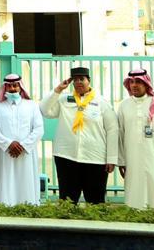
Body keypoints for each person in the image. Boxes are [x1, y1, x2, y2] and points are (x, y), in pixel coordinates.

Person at [40, 65, 118, 204]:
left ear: (89, 81)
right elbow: (45, 110)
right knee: (67, 200)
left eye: (82, 79)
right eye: (75, 80)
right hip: (67, 157)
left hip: (94, 159)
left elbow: (112, 130)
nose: (78, 82)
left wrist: (111, 158)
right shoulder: (64, 100)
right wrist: (57, 90)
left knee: (96, 201)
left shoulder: (101, 103)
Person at [116, 68, 154, 211]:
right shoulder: (124, 105)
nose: (134, 85)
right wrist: (121, 160)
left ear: (146, 84)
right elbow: (120, 135)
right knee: (135, 188)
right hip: (132, 157)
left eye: (138, 82)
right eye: (132, 82)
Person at [0, 73, 44, 205]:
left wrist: (23, 146)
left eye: (15, 85)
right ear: (5, 88)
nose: (12, 89)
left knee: (26, 181)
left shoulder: (31, 105)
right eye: (9, 86)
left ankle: (28, 207)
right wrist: (8, 144)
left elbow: (39, 129)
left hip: (25, 153)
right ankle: (4, 207)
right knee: (4, 181)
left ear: (20, 87)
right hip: (3, 153)